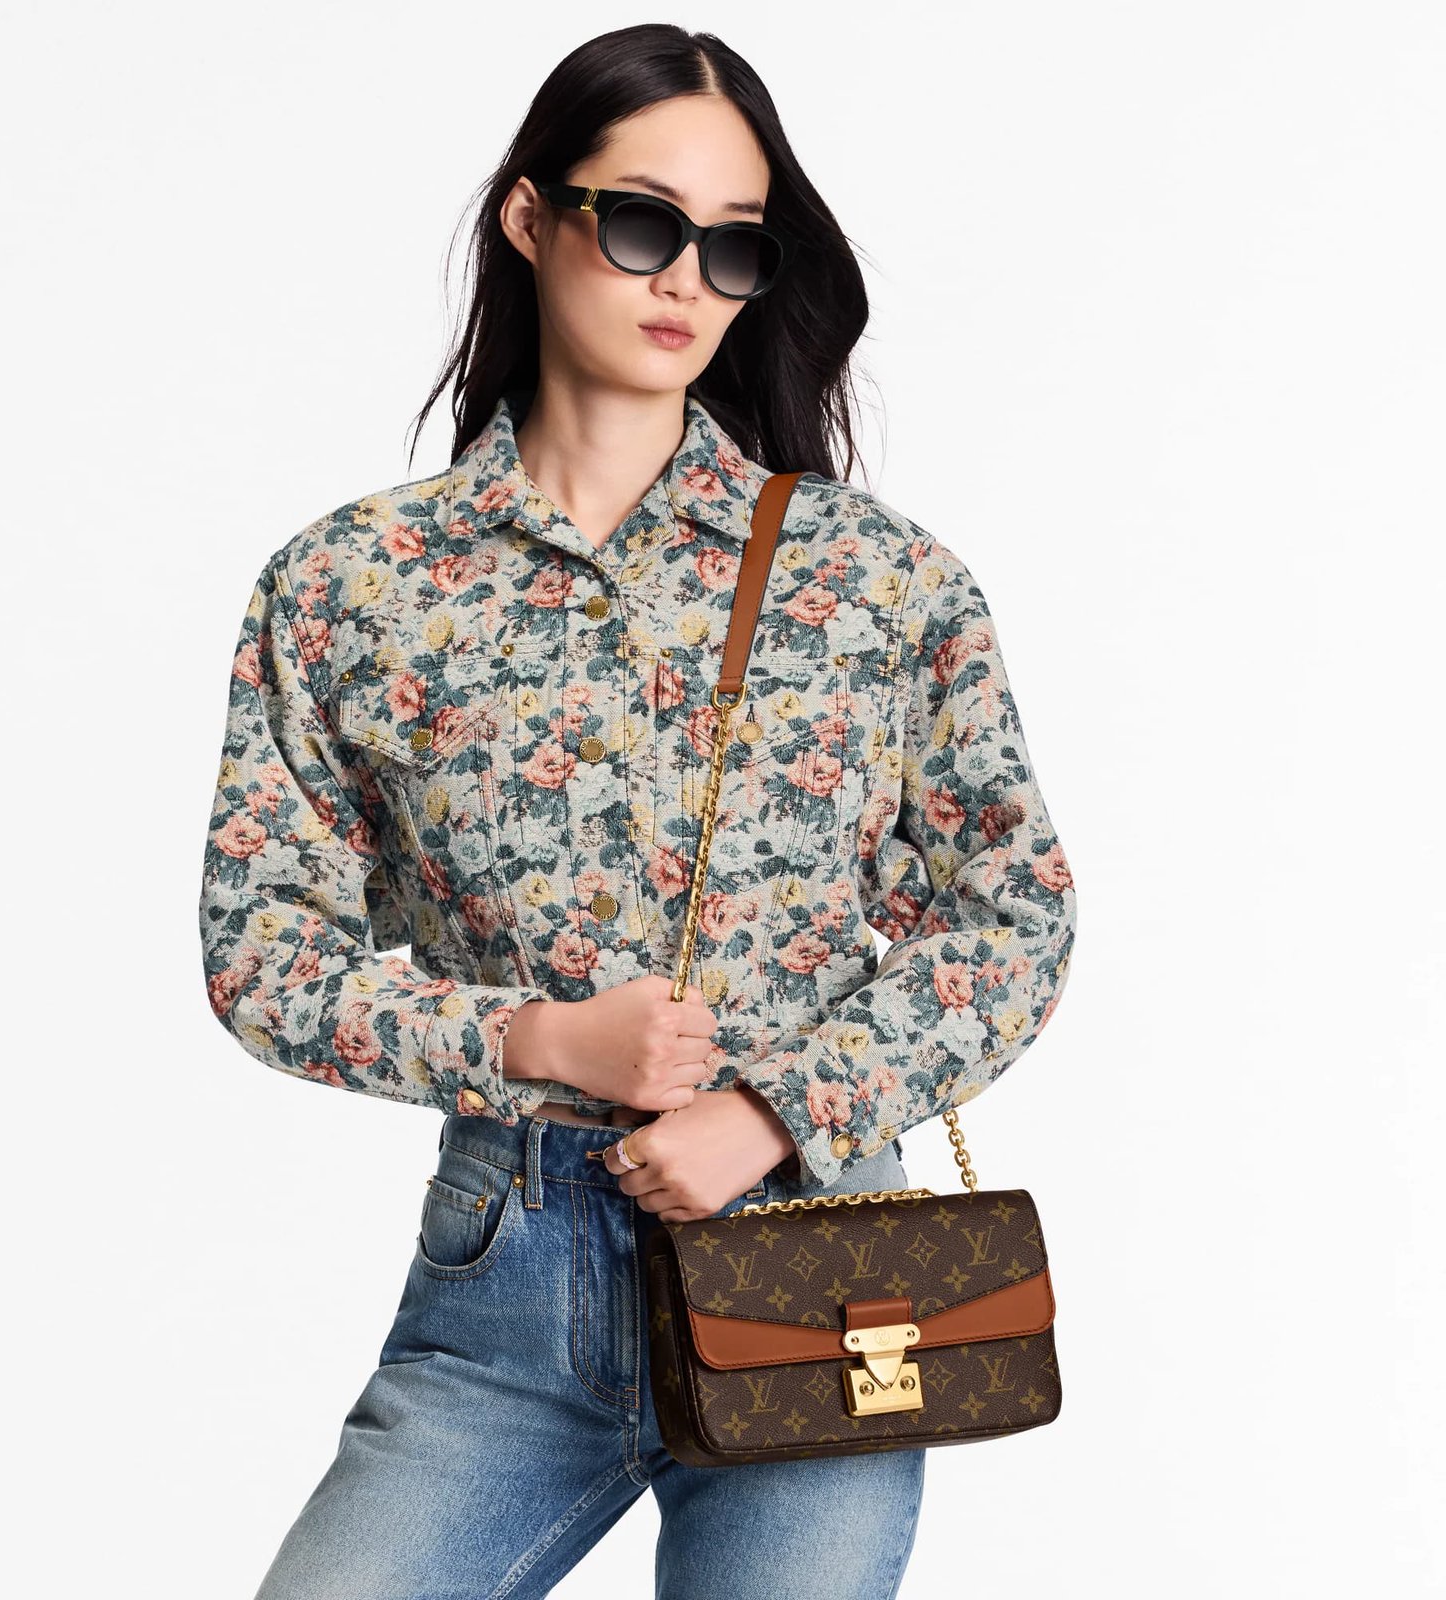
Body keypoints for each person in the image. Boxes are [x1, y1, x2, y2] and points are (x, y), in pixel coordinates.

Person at [197, 22, 1077, 1599]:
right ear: (530, 217)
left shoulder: (876, 582)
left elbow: (1016, 915)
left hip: (815, 1273)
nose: (684, 279)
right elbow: (263, 960)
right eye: (643, 223)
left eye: (732, 245)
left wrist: (776, 1110)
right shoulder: (350, 585)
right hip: (504, 1290)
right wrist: (537, 1040)